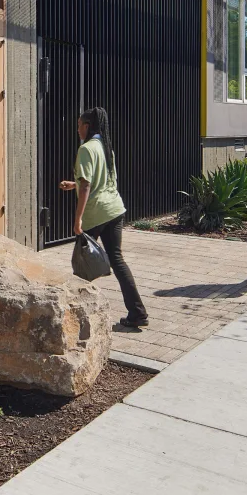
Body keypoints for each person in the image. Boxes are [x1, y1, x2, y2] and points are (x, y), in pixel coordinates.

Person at [59, 106, 149, 329]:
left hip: (96, 213)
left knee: (81, 267)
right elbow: (100, 180)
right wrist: (74, 184)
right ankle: (138, 313)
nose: (77, 129)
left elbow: (88, 185)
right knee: (117, 261)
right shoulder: (106, 147)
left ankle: (76, 320)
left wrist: (78, 219)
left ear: (87, 126)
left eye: (79, 125)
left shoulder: (86, 149)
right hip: (115, 209)